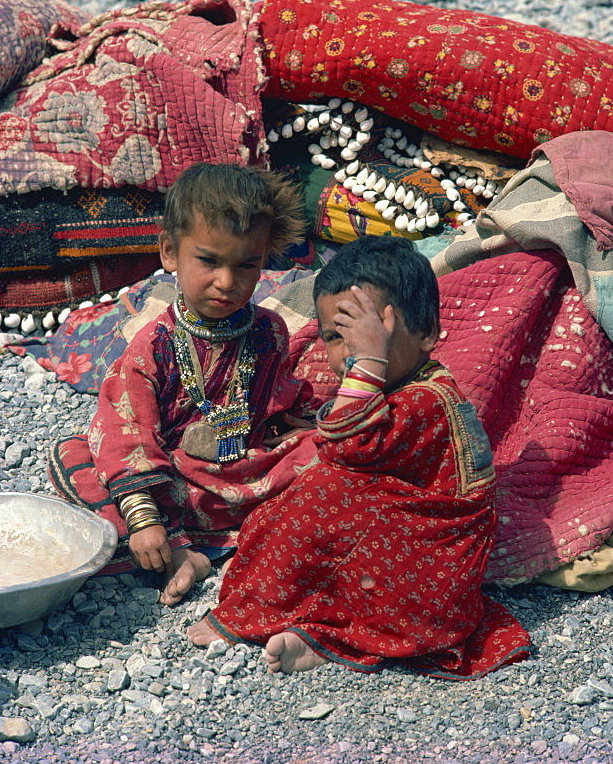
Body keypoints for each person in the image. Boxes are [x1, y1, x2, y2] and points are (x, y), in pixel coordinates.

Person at [188, 236, 530, 678]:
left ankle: (296, 621)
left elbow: (349, 451)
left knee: (322, 493)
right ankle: (321, 634)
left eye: (371, 332)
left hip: (428, 579)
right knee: (302, 491)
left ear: (426, 333)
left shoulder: (428, 399)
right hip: (389, 551)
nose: (352, 352)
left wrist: (369, 362)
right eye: (336, 336)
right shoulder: (387, 389)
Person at [49, 162, 318, 606]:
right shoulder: (153, 345)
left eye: (247, 264)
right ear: (170, 252)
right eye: (209, 261)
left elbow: (281, 402)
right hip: (167, 479)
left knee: (319, 452)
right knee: (75, 457)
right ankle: (176, 542)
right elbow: (126, 431)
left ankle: (189, 550)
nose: (227, 283)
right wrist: (143, 516)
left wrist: (305, 428)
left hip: (236, 470)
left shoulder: (269, 331)